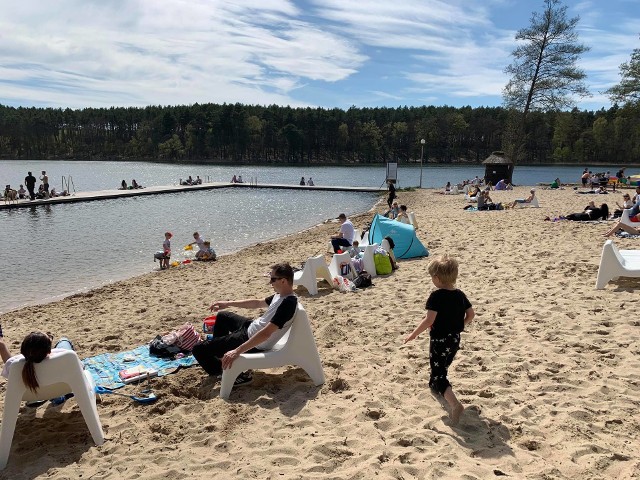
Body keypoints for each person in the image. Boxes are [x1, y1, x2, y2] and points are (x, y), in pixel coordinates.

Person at [191, 263, 298, 383]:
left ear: (283, 281)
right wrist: (228, 303)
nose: (270, 282)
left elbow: (266, 334)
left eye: (273, 279)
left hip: (252, 339)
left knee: (198, 349)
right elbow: (257, 303)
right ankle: (222, 356)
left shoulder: (288, 304)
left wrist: (237, 351)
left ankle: (229, 373)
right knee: (223, 316)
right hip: (251, 327)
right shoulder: (281, 295)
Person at [404, 254, 474, 425]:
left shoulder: (436, 296)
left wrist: (414, 334)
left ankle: (455, 404)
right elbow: (471, 315)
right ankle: (435, 385)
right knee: (442, 365)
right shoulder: (460, 295)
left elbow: (429, 320)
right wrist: (459, 326)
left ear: (436, 278)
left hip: (439, 340)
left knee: (439, 374)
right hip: (454, 340)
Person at [0, 329, 76, 406]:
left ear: (22, 351)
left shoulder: (13, 364)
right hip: (63, 389)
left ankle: (56, 398)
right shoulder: (63, 356)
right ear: (49, 351)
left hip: (30, 395)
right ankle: (59, 397)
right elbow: (80, 368)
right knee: (64, 341)